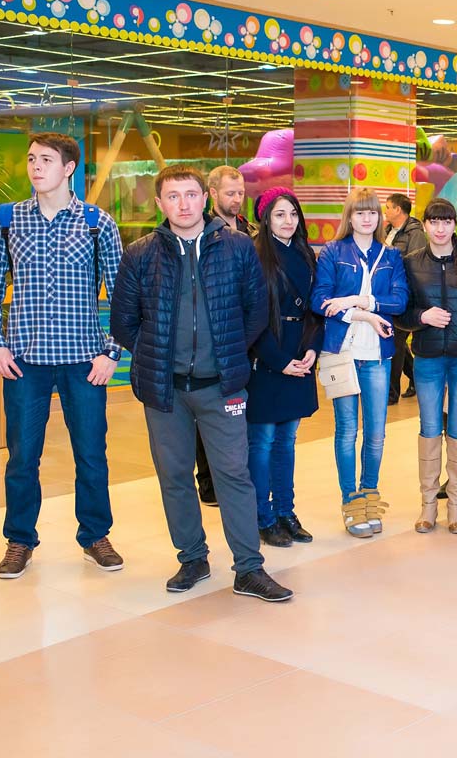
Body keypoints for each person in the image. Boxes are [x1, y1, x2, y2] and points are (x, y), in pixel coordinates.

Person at [110, 165, 291, 602]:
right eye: (173, 196)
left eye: (190, 194)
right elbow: (123, 321)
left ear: (204, 198)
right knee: (174, 475)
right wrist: (157, 354)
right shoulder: (140, 254)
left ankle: (249, 568)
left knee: (233, 474)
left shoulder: (237, 247)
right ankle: (192, 557)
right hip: (165, 390)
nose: (183, 204)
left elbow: (256, 309)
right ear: (160, 203)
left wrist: (229, 350)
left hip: (222, 386)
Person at [0, 131, 124, 580]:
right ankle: (19, 540)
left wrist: (111, 353)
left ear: (68, 168)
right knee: (23, 458)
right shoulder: (8, 220)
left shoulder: (97, 223)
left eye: (46, 159)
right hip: (24, 362)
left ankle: (95, 536)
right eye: (31, 159)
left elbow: (123, 296)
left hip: (84, 362)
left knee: (91, 454)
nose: (36, 167)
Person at [312, 187, 408, 538]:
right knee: (347, 430)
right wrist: (364, 315)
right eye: (359, 212)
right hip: (342, 353)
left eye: (372, 212)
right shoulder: (333, 252)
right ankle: (350, 502)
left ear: (380, 217)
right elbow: (320, 300)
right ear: (349, 217)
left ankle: (369, 495)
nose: (367, 218)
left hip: (378, 356)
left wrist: (358, 300)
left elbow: (399, 301)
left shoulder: (391, 254)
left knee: (377, 433)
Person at [398, 197, 457, 535]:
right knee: (429, 429)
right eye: (434, 222)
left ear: (454, 225)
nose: (440, 228)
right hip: (427, 357)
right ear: (425, 225)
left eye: (446, 222)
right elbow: (401, 312)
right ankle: (428, 506)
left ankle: (456, 506)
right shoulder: (410, 262)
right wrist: (422, 317)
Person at [245, 187, 323, 548]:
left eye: (293, 213)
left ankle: (285, 512)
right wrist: (278, 361)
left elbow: (316, 309)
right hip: (267, 357)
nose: (288, 221)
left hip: (300, 352)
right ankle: (262, 516)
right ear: (266, 219)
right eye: (279, 214)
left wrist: (312, 350)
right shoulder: (255, 255)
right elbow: (250, 317)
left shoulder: (307, 254)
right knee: (261, 442)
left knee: (287, 441)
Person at [195, 165, 252, 506]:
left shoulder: (248, 231)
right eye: (230, 193)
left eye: (241, 193)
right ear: (213, 194)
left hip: (243, 336)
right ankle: (208, 482)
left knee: (236, 414)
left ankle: (235, 477)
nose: (237, 199)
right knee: (206, 414)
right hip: (211, 336)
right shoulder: (201, 231)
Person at [384, 192, 425, 403]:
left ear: (398, 209)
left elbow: (415, 265)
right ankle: (416, 379)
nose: (385, 211)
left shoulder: (415, 233)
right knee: (397, 341)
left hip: (405, 297)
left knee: (395, 341)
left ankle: (391, 393)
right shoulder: (387, 231)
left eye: (388, 207)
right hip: (388, 295)